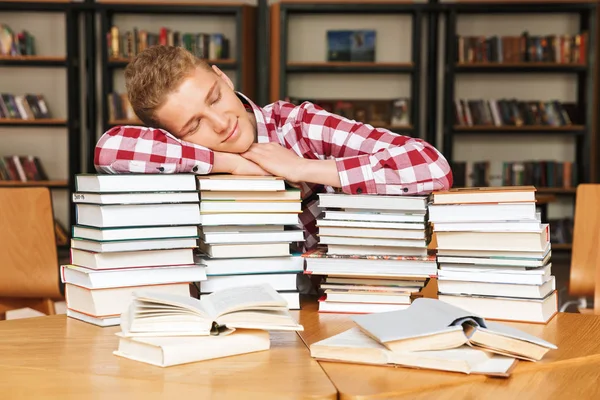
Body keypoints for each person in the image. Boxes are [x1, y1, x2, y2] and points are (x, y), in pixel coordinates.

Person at [94, 46, 453, 291]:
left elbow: (430, 166)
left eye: (215, 98)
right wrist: (230, 163)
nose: (220, 124)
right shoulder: (179, 155)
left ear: (223, 78)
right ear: (173, 134)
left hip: (340, 299)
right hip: (234, 313)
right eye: (193, 126)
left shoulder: (298, 125)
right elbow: (110, 149)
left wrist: (304, 168)